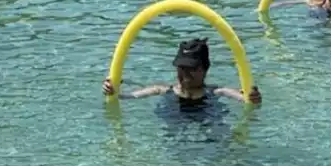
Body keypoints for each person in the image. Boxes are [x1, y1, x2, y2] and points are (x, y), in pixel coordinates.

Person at [102, 38, 261, 105]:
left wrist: (251, 97)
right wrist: (113, 91)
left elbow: (246, 100)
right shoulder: (162, 90)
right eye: (181, 67)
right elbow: (127, 97)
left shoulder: (218, 92)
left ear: (205, 69)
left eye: (191, 68)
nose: (185, 73)